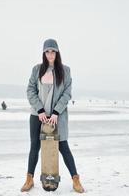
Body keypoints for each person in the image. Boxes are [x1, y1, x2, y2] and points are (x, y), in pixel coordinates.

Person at [20, 38, 85, 193]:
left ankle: (76, 179)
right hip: (38, 116)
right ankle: (29, 179)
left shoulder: (65, 70)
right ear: (44, 53)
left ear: (57, 52)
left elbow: (67, 94)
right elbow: (30, 90)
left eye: (52, 51)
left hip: (58, 116)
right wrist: (40, 110)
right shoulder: (37, 70)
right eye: (47, 51)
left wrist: (56, 112)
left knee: (63, 146)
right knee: (34, 147)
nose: (50, 54)